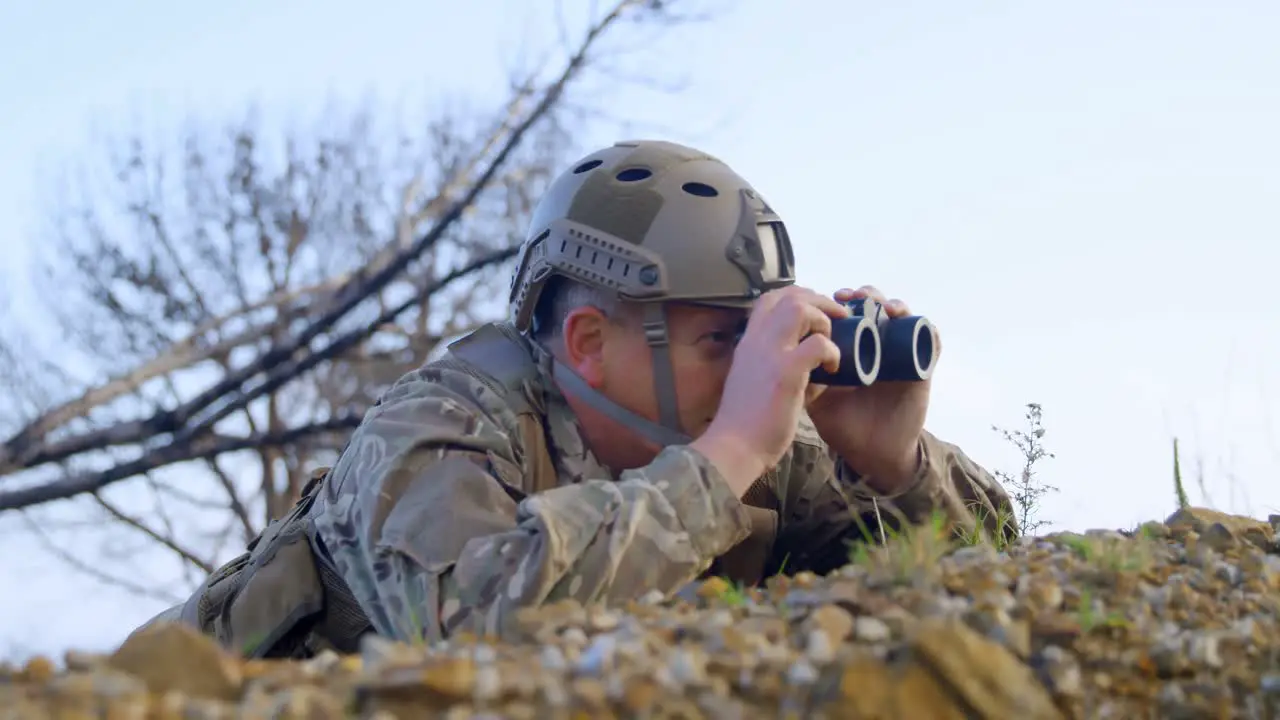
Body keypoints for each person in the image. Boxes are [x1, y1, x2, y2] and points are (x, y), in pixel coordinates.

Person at [131, 139, 1018, 659]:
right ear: (590, 344)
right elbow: (473, 632)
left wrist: (894, 465)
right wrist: (729, 458)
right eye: (723, 341)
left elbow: (998, 585)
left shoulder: (747, 434)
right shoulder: (444, 423)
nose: (754, 371)